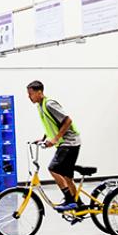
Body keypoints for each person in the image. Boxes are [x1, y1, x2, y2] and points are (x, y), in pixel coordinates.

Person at [26, 81, 82, 211]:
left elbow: (67, 121)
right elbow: (52, 124)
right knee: (67, 177)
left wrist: (55, 139)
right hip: (65, 143)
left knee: (53, 169)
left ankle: (69, 200)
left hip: (70, 141)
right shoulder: (40, 106)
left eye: (31, 94)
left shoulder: (49, 104)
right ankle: (78, 205)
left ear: (39, 92)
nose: (29, 97)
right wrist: (44, 138)